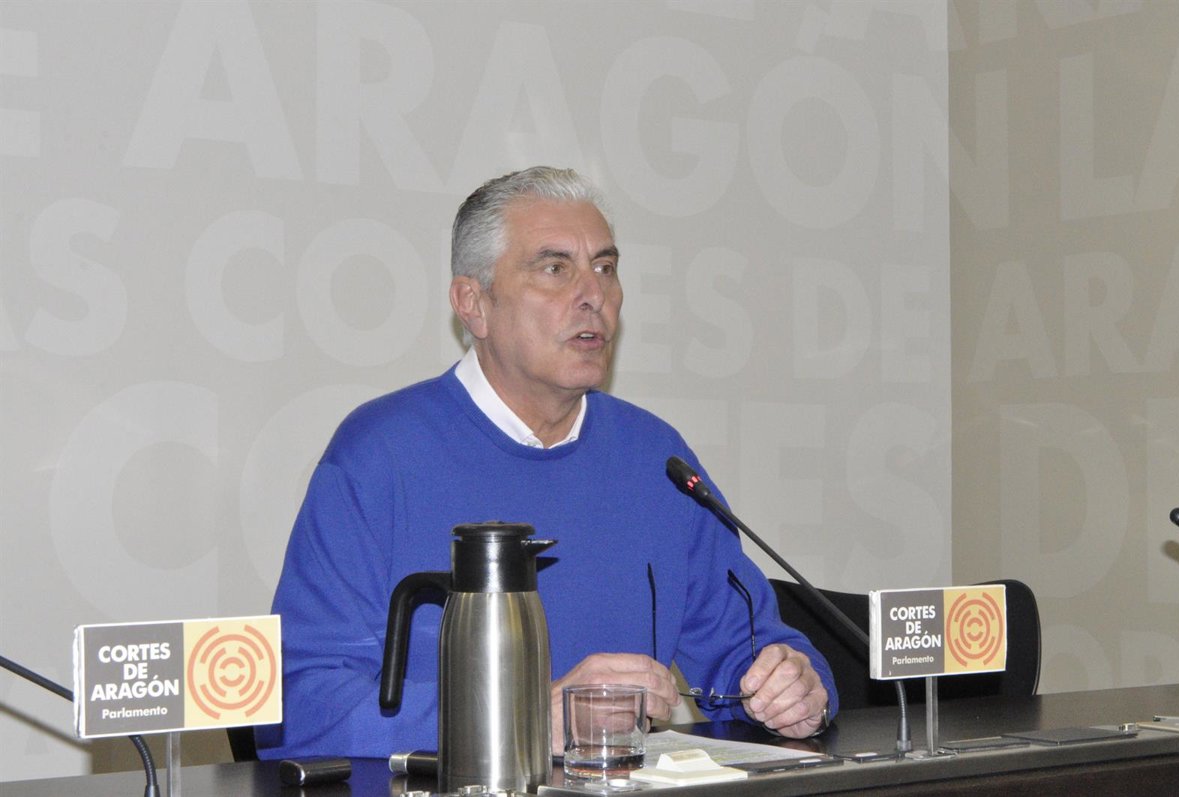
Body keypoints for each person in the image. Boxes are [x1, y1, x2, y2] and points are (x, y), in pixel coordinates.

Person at [257, 166, 837, 759]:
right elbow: (298, 707)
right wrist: (519, 719)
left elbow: (751, 653)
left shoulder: (655, 458)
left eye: (605, 268)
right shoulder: (378, 456)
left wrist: (796, 689)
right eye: (555, 269)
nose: (594, 296)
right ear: (473, 304)